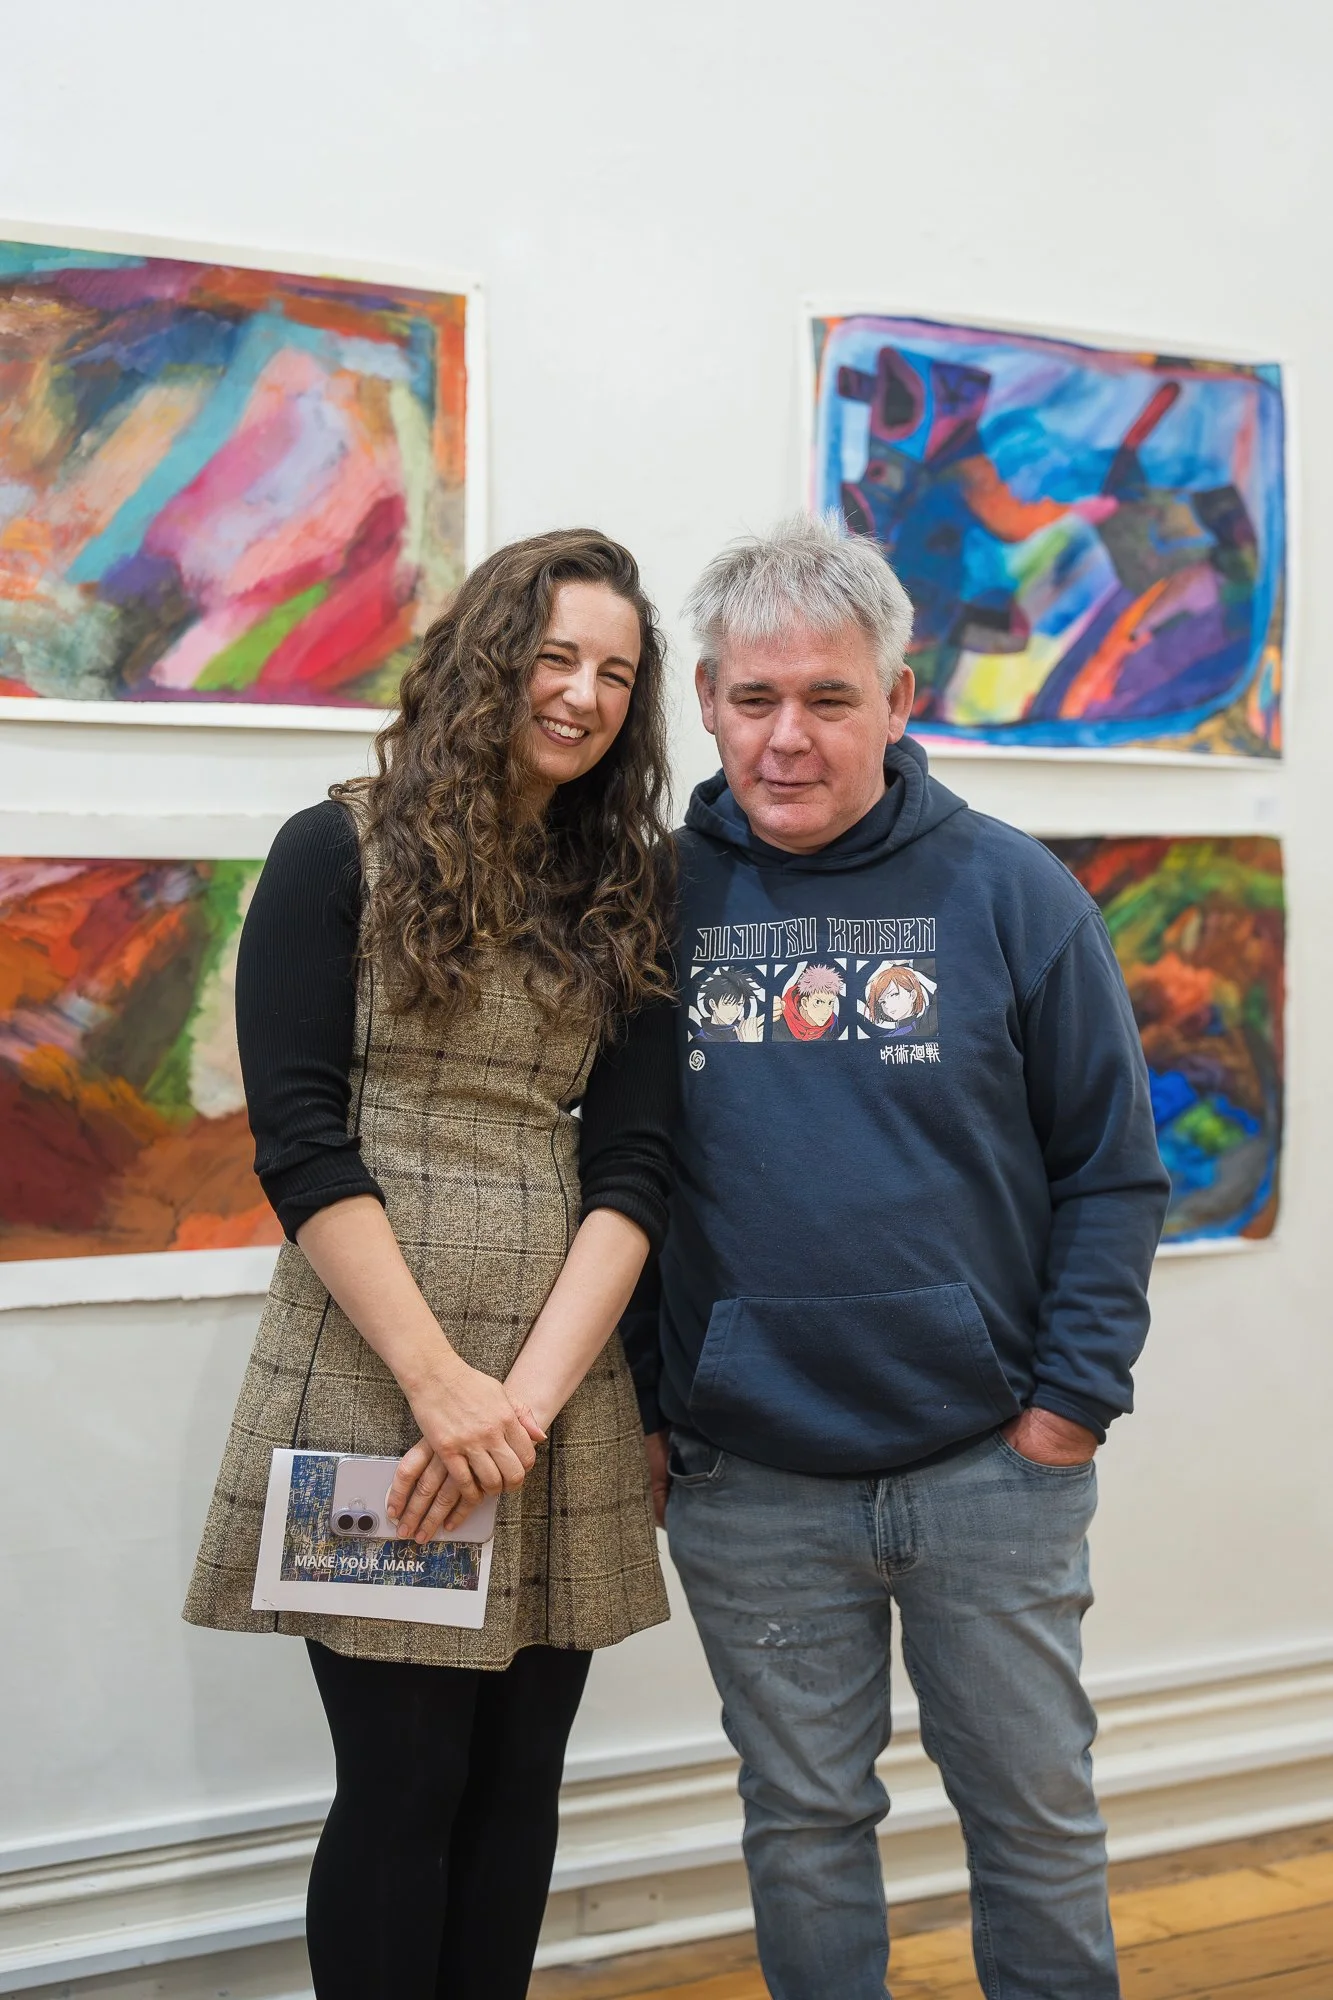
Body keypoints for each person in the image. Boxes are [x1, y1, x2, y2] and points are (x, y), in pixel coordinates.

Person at [622, 517, 1170, 2000]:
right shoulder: (656, 910)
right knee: (803, 1823)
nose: (787, 738)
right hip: (751, 1480)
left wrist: (1068, 1408)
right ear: (711, 704)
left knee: (1036, 1825)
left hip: (990, 1467)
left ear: (899, 700)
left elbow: (1114, 1172)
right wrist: (649, 1408)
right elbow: (612, 1182)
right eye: (753, 700)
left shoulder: (1015, 896)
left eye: (828, 699)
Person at [184, 529, 676, 2000]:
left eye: (615, 673)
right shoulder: (335, 846)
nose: (582, 695)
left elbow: (639, 1162)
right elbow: (300, 1141)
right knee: (404, 1786)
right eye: (554, 655)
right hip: (374, 1370)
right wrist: (441, 1387)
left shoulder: (633, 887)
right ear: (488, 656)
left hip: (555, 1386)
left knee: (520, 1781)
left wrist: (518, 1401)